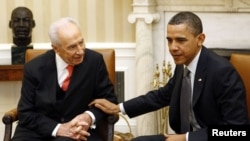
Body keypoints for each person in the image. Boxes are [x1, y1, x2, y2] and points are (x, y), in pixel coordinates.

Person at [89, 11, 249, 141]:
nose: (173, 47)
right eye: (169, 40)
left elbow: (236, 131)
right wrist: (119, 108)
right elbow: (163, 96)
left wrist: (186, 138)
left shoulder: (223, 73)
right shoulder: (183, 64)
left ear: (200, 39)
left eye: (180, 40)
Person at [12, 17, 117, 141]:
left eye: (81, 42)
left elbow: (109, 100)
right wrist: (59, 129)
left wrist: (88, 117)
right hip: (37, 130)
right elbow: (25, 112)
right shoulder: (34, 68)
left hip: (79, 130)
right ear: (56, 48)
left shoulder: (95, 61)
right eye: (72, 47)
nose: (80, 51)